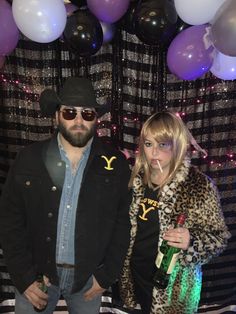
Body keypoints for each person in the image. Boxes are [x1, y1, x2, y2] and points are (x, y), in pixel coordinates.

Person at [0, 77, 131, 314]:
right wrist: (23, 275)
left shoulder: (116, 164)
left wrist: (106, 276)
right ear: (56, 116)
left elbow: (122, 224)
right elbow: (10, 219)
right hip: (37, 276)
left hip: (87, 279)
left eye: (87, 113)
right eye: (70, 112)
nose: (79, 120)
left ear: (96, 119)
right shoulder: (29, 159)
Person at [119, 111, 231, 314]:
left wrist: (192, 241)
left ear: (177, 144)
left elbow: (220, 238)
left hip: (174, 289)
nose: (153, 153)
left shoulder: (198, 185)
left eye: (162, 144)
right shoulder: (135, 180)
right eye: (148, 144)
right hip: (138, 276)